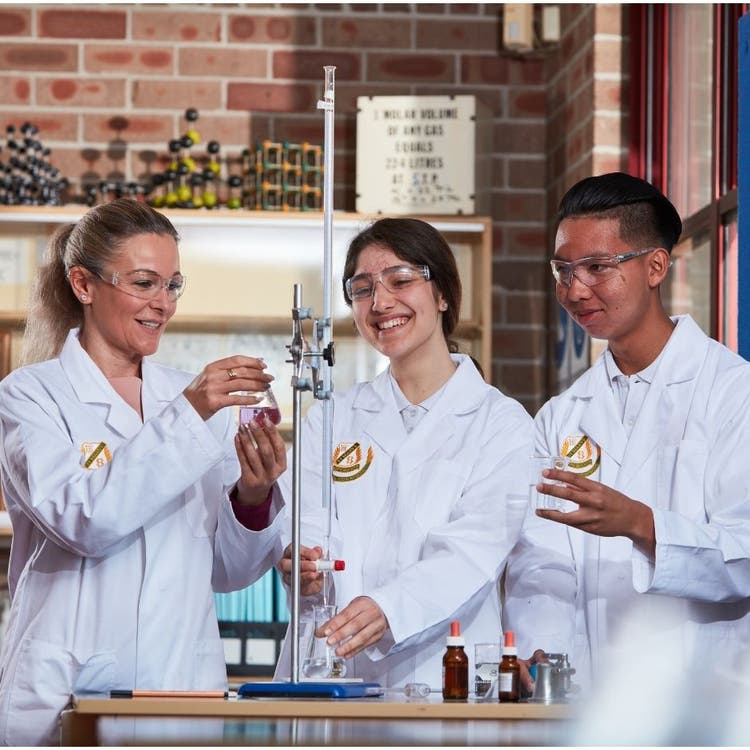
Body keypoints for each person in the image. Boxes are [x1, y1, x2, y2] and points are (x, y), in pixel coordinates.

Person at [0, 199, 287, 745]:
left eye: (173, 285)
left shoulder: (190, 401)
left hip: (181, 688)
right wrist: (192, 411)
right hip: (65, 692)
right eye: (144, 283)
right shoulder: (32, 396)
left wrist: (253, 495)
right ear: (83, 285)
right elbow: (86, 520)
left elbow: (230, 572)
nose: (162, 304)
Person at [504, 172, 750, 694]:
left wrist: (640, 523)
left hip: (706, 691)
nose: (574, 290)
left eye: (597, 267)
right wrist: (538, 649)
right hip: (590, 694)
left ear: (655, 266)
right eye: (563, 270)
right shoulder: (560, 417)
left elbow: (746, 556)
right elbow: (539, 562)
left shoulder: (734, 392)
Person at [272, 217, 533, 689]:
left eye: (401, 280)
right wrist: (303, 566)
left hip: (440, 669)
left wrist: (389, 608)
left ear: (443, 294)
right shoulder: (332, 416)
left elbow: (473, 550)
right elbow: (305, 522)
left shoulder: (501, 422)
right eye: (363, 288)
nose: (381, 302)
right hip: (330, 666)